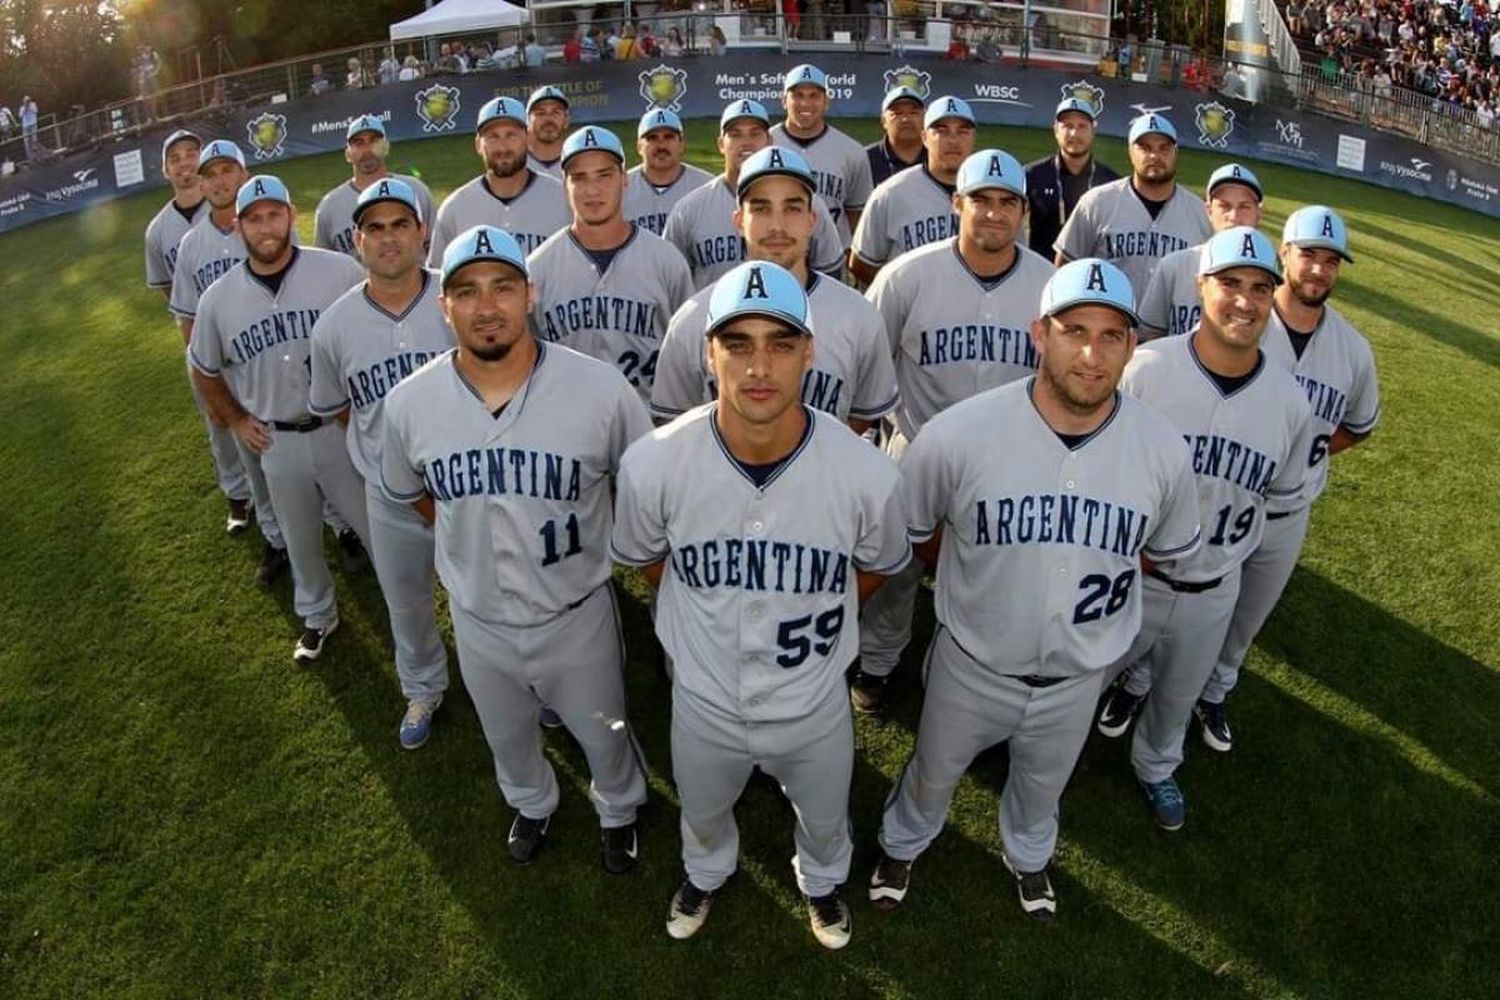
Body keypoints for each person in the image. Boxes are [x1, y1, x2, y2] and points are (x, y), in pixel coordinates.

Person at [867, 258, 1202, 920]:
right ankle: (902, 841)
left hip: (1080, 675)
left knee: (1043, 785)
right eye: (1074, 329)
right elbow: (914, 533)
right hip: (972, 662)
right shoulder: (959, 434)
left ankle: (1028, 855)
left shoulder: (1162, 449)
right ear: (1038, 334)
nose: (1091, 353)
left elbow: (1166, 555)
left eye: (1112, 335)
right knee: (932, 772)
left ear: (1132, 346)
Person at [613, 260, 911, 948]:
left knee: (826, 815)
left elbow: (874, 567)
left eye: (780, 344)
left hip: (813, 701)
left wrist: (813, 598)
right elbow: (653, 560)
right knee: (704, 808)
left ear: (809, 352)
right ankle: (705, 872)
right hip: (703, 696)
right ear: (707, 352)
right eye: (738, 344)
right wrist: (706, 606)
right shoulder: (652, 463)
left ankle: (822, 881)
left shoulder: (866, 472)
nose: (759, 367)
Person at [381, 224, 651, 872]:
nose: (487, 306)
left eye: (503, 286)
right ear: (443, 307)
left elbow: (641, 484)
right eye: (467, 292)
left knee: (604, 729)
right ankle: (532, 803)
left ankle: (618, 809)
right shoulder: (409, 404)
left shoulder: (600, 389)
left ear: (530, 294)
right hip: (478, 619)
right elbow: (415, 495)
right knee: (505, 735)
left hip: (576, 610)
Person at [1104, 227, 1312, 831]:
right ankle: (1053, 767)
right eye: (1229, 284)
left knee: (1178, 699)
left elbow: (1279, 501)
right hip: (1130, 579)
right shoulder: (1146, 369)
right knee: (1082, 682)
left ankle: (1156, 765)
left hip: (1214, 586)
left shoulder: (1291, 403)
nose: (1245, 301)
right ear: (1200, 286)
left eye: (1259, 287)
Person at [852, 149, 1056, 712]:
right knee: (894, 568)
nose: (993, 214)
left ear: (1023, 213)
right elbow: (871, 363)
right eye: (981, 201)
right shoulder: (906, 276)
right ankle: (878, 661)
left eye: (1006, 203)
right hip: (914, 451)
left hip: (1009, 461)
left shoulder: (1050, 285)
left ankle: (978, 674)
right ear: (956, 204)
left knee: (992, 578)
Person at [1191, 207, 1381, 751]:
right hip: (1215, 494)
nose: (1319, 271)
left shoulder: (1353, 351)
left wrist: (1313, 453)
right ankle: (1138, 682)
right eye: (1308, 256)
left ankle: (1215, 691)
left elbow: (1359, 425)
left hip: (1286, 513)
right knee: (1179, 599)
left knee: (1247, 617)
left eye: (1330, 261)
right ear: (1285, 256)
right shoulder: (1236, 321)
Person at [188, 176, 369, 662]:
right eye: (254, 218)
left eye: (274, 214)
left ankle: (405, 606)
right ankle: (318, 616)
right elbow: (202, 369)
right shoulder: (217, 300)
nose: (265, 227)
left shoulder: (340, 272)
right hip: (279, 440)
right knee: (301, 541)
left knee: (377, 530)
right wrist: (235, 420)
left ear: (291, 215)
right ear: (238, 226)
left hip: (337, 429)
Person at [308, 179, 456, 750]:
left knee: (490, 596)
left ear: (423, 232)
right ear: (356, 240)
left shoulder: (461, 294)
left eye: (401, 224)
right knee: (406, 601)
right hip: (387, 498)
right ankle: (423, 686)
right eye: (375, 227)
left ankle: (524, 682)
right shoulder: (334, 326)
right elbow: (338, 409)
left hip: (467, 488)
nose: (389, 238)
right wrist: (381, 454)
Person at [652, 146, 898, 433]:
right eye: (761, 209)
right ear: (739, 221)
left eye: (792, 208)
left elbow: (861, 417)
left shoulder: (858, 316)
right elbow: (676, 426)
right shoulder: (692, 319)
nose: (777, 227)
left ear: (811, 220)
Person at [144, 130, 255, 540]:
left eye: (192, 154)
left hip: (256, 336)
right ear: (165, 170)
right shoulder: (158, 232)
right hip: (202, 342)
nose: (185, 162)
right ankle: (237, 496)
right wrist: (197, 347)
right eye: (175, 157)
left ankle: (289, 492)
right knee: (219, 421)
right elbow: (168, 293)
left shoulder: (239, 208)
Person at [528, 126, 693, 399]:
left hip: (652, 424)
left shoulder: (667, 262)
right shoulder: (538, 269)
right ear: (565, 186)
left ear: (624, 180)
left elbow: (688, 356)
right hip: (567, 427)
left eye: (604, 175)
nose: (592, 190)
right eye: (579, 178)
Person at [664, 99, 844, 290]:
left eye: (755, 133)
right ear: (721, 144)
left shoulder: (809, 205)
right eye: (735, 135)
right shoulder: (688, 210)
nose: (746, 142)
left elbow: (830, 274)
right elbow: (669, 279)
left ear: (770, 140)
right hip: (714, 316)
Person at [1055, 113, 1213, 294]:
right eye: (1145, 148)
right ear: (1130, 152)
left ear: (1176, 154)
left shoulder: (1200, 213)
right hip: (1110, 319)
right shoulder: (1097, 202)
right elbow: (1064, 267)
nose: (1155, 156)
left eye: (1164, 148)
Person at [849, 95, 975, 287]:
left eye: (962, 131)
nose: (953, 140)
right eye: (942, 131)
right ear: (924, 137)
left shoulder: (993, 196)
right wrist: (900, 294)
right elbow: (861, 264)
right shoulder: (890, 193)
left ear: (973, 137)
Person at [426, 96, 568, 264]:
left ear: (528, 139)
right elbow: (438, 277)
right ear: (478, 145)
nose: (503, 147)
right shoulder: (454, 209)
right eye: (493, 137)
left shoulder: (564, 200)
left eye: (511, 135)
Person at [1133, 163, 1264, 340]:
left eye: (1244, 206)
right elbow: (1148, 337)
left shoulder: (1272, 276)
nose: (1234, 216)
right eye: (1224, 206)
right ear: (1209, 211)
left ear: (1259, 213)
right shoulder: (1174, 265)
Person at [771, 64, 874, 249]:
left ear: (827, 101)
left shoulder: (852, 152)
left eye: (814, 96)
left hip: (834, 256)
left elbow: (857, 215)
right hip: (777, 252)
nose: (805, 103)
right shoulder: (765, 146)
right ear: (784, 100)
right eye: (798, 95)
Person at [313, 115, 436, 261]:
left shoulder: (416, 190)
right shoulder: (329, 207)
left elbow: (437, 250)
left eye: (374, 141)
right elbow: (324, 264)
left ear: (386, 147)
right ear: (347, 154)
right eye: (358, 143)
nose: (367, 149)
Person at [1024, 98, 1120, 260]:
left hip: (1091, 279)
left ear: (1093, 130)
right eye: (1068, 126)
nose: (1074, 134)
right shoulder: (1032, 175)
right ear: (1056, 130)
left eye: (1082, 126)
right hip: (1041, 274)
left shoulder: (1112, 183)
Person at [623, 108, 715, 236]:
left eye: (668, 137)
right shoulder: (619, 188)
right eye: (652, 138)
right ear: (639, 147)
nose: (661, 145)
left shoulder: (707, 188)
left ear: (681, 144)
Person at [865, 86, 927, 189]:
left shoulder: (939, 158)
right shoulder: (864, 160)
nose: (906, 119)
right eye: (897, 113)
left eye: (914, 113)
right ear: (884, 121)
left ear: (925, 118)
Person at [525, 86, 569, 179]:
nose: (549, 119)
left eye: (556, 112)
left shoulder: (577, 162)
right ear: (528, 121)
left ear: (566, 120)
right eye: (541, 113)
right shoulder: (516, 166)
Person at [20, 95, 39, 160]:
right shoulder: (22, 108)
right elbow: (20, 116)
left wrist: (29, 107)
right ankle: (29, 154)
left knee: (34, 137)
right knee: (26, 140)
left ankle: (35, 150)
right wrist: (25, 108)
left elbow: (36, 111)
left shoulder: (33, 105)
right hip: (26, 125)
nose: (27, 102)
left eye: (28, 100)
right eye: (26, 100)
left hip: (33, 123)